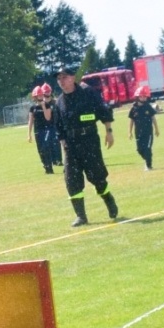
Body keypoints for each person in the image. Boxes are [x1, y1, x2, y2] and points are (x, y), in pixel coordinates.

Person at [52, 66, 119, 226]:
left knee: (97, 177)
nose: (62, 81)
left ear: (73, 77)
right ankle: (81, 216)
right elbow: (59, 126)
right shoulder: (59, 102)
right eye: (59, 78)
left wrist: (108, 131)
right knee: (71, 179)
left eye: (65, 77)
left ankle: (108, 199)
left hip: (89, 140)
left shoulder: (87, 93)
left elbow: (103, 111)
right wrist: (64, 145)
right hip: (71, 145)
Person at [27, 84, 61, 174]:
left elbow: (48, 118)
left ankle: (50, 166)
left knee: (45, 147)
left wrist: (43, 107)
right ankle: (46, 166)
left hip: (47, 130)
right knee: (40, 150)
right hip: (37, 131)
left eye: (41, 95)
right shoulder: (32, 108)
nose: (41, 96)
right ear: (35, 96)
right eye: (39, 95)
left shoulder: (47, 105)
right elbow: (30, 121)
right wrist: (29, 134)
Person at [126, 83, 159, 171]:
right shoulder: (133, 108)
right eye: (141, 96)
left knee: (147, 148)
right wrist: (129, 132)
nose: (143, 98)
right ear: (137, 97)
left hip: (148, 132)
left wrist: (156, 129)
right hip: (138, 133)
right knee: (139, 150)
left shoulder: (148, 107)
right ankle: (147, 159)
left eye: (145, 96)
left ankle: (148, 165)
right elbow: (131, 121)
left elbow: (153, 118)